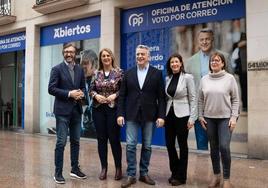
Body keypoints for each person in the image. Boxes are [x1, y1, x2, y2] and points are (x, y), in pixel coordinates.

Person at [117, 44, 166, 188]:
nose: (139, 57)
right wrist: (120, 114)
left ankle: (144, 173)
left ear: (148, 56)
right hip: (131, 114)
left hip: (150, 115)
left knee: (147, 146)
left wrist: (161, 116)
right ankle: (131, 175)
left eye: (142, 54)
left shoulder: (156, 73)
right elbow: (122, 96)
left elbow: (161, 98)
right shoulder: (128, 73)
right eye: (138, 54)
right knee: (131, 145)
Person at [198, 52, 239, 188]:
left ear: (222, 63)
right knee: (213, 148)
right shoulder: (204, 79)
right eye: (212, 61)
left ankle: (226, 179)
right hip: (209, 119)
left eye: (217, 60)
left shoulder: (230, 78)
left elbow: (235, 99)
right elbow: (200, 100)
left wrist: (233, 117)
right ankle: (216, 176)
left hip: (225, 119)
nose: (214, 62)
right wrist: (200, 115)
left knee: (224, 147)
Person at [185, 28, 231, 150]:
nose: (204, 42)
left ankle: (219, 169)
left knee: (222, 146)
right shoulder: (190, 62)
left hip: (221, 111)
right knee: (202, 146)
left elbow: (232, 85)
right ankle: (203, 169)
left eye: (207, 39)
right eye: (201, 40)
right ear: (198, 41)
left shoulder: (225, 57)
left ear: (212, 40)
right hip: (200, 111)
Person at [48, 43, 87, 184]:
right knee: (61, 142)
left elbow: (83, 86)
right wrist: (70, 93)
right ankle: (58, 172)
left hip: (76, 110)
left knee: (76, 141)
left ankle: (74, 169)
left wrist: (81, 93)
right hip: (62, 111)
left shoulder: (80, 70)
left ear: (75, 53)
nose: (69, 54)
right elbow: (51, 89)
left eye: (71, 52)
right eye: (66, 52)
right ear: (63, 53)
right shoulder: (57, 69)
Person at [90, 48, 123, 181]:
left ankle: (118, 168)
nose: (106, 58)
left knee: (114, 140)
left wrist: (115, 95)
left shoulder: (119, 72)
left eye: (108, 55)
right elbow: (91, 90)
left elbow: (123, 90)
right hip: (98, 110)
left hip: (113, 109)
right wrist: (96, 95)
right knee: (101, 139)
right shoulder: (95, 73)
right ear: (100, 58)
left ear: (112, 57)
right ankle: (104, 168)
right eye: (103, 56)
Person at [165, 53, 197, 186]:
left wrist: (192, 118)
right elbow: (167, 97)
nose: (174, 64)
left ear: (181, 63)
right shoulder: (168, 78)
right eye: (172, 62)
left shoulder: (188, 78)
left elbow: (193, 98)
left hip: (183, 115)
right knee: (169, 145)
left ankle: (181, 176)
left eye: (176, 62)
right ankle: (175, 172)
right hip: (169, 115)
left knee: (183, 146)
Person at [80, 49, 98, 137]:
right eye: (82, 63)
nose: (83, 66)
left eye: (86, 63)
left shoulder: (101, 80)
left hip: (98, 126)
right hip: (85, 127)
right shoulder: (80, 80)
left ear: (94, 64)